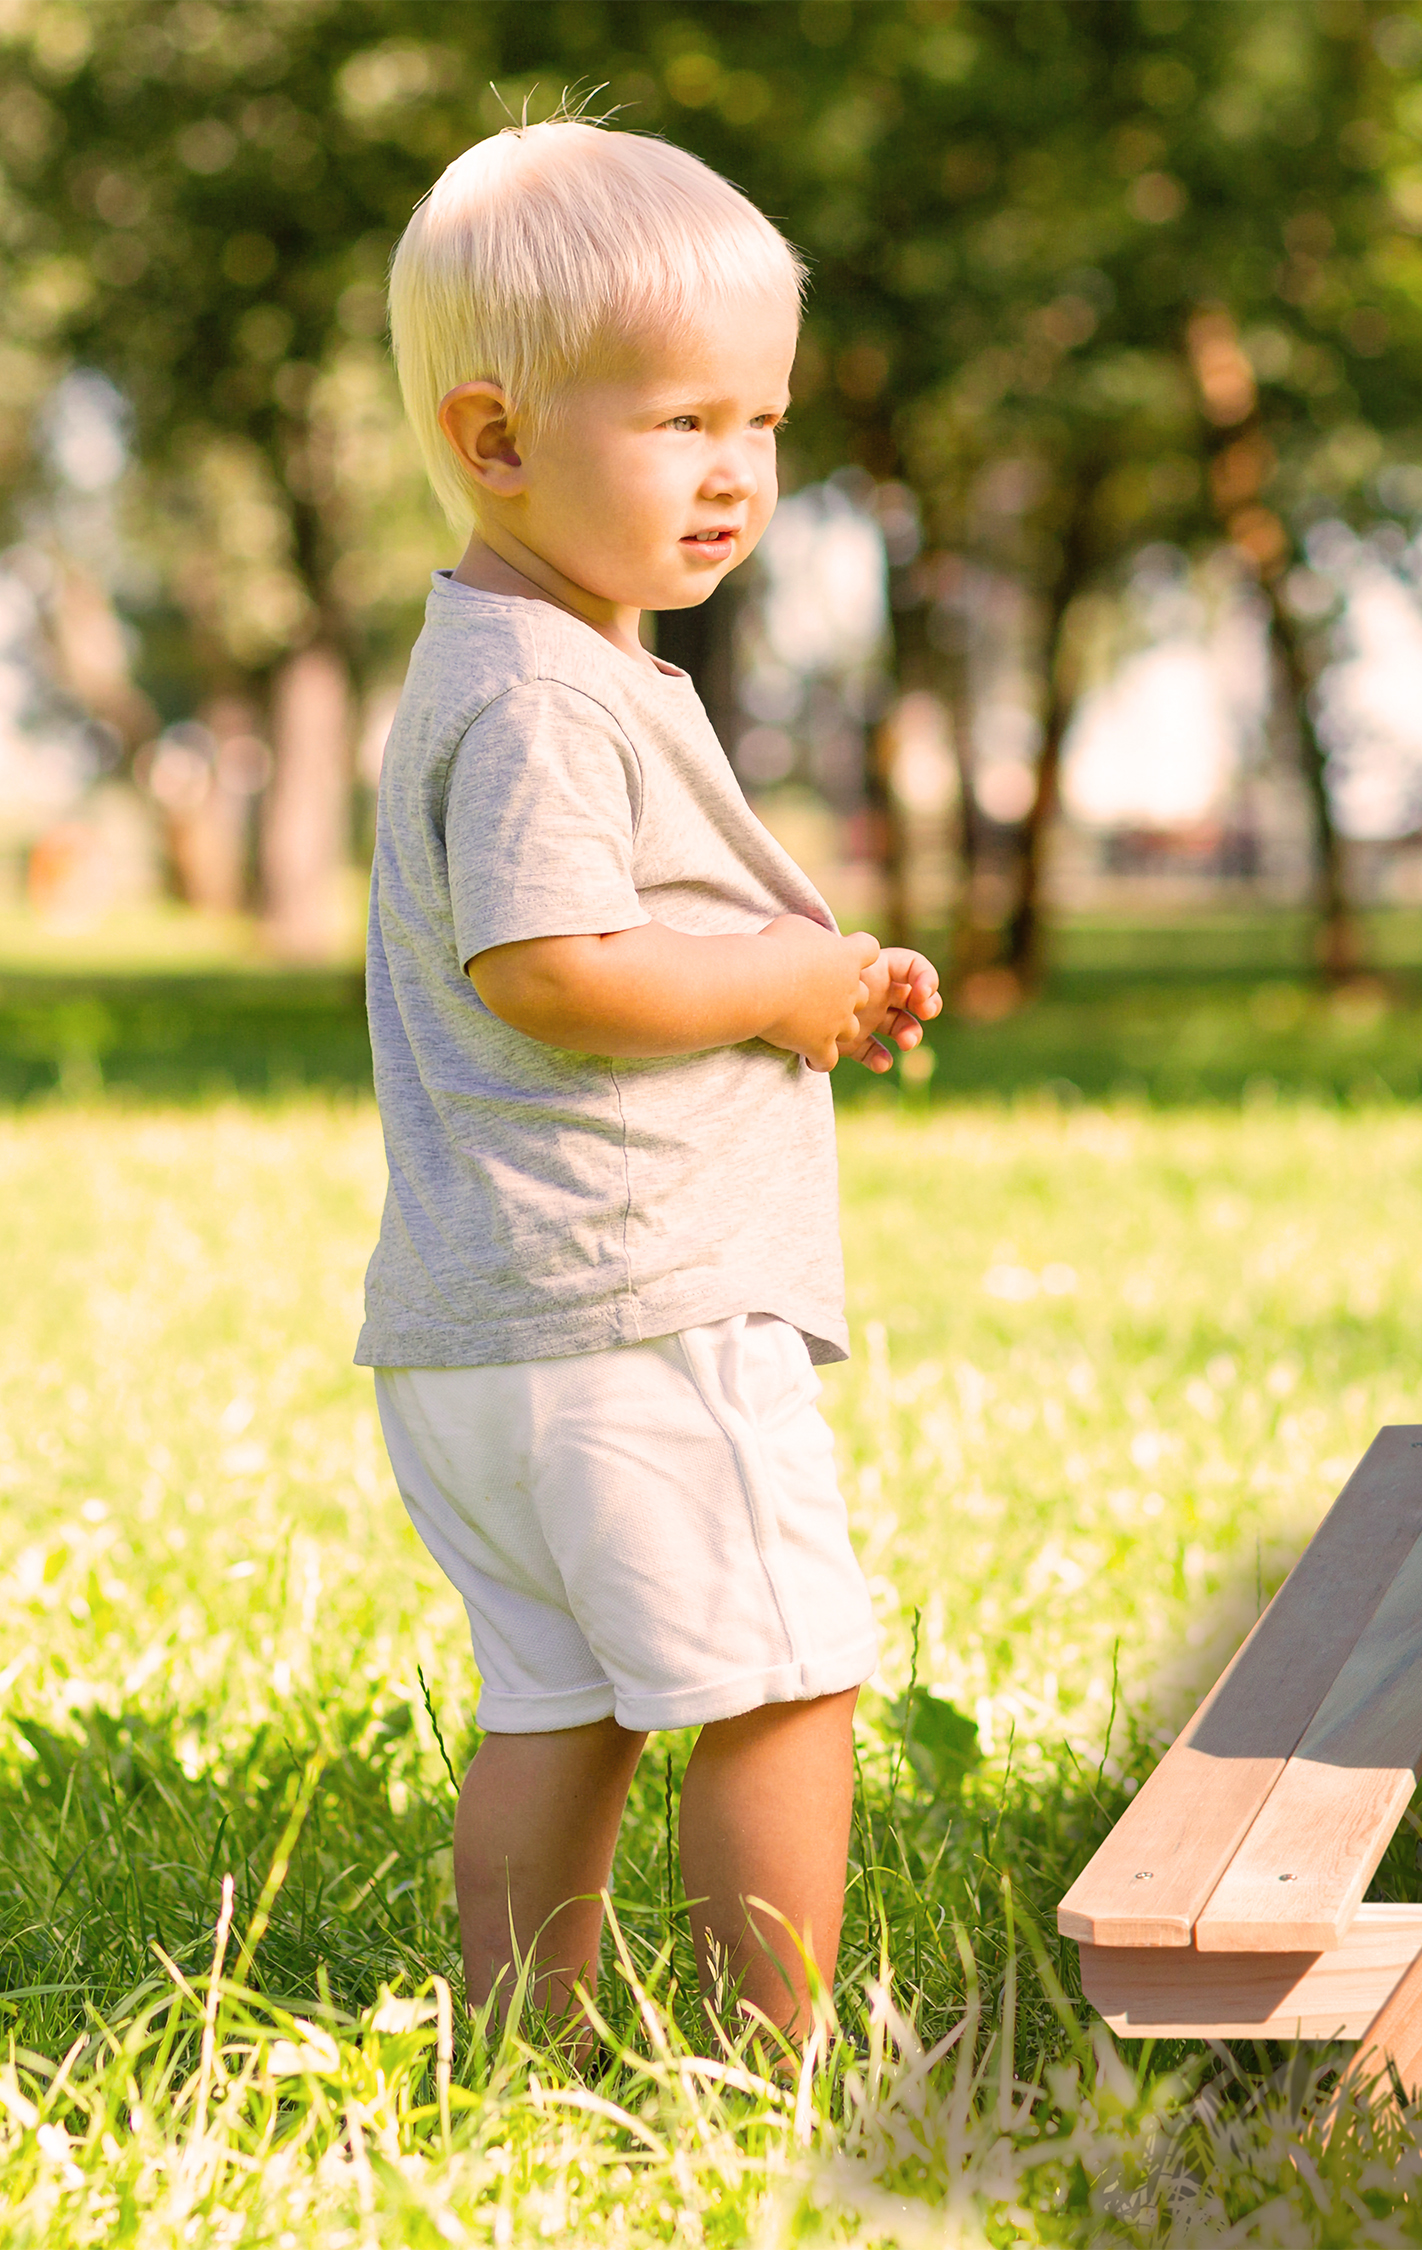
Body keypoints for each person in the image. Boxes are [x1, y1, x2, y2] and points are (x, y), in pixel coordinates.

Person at [358, 115, 937, 2049]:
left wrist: (820, 985)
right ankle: (781, 2060)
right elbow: (548, 967)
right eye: (682, 422)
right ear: (498, 436)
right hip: (633, 1304)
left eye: (760, 423)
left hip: (490, 1327)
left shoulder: (518, 659)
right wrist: (779, 976)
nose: (738, 475)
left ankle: (525, 2045)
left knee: (562, 1697)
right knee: (785, 1679)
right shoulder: (537, 693)